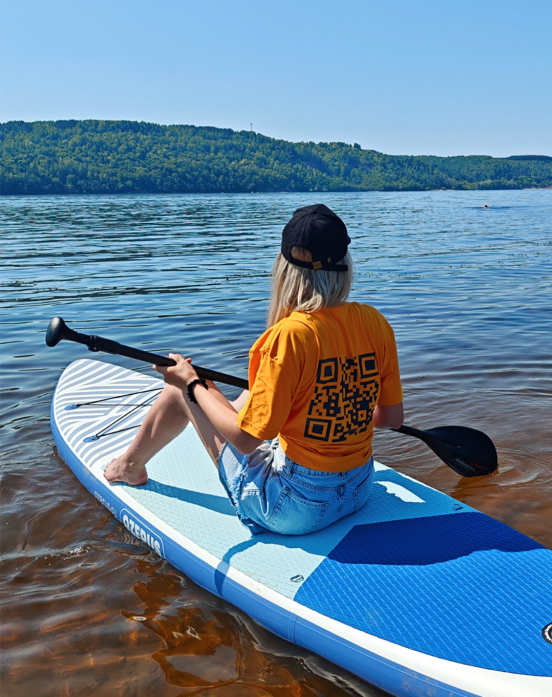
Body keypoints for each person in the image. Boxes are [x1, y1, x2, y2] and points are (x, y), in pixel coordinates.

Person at [105, 204, 404, 535]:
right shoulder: (375, 323)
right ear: (345, 266)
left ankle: (129, 467)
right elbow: (390, 419)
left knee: (178, 387)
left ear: (285, 271)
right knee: (248, 393)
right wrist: (343, 413)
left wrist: (191, 382)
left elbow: (246, 442)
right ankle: (214, 409)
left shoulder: (289, 336)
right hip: (360, 489)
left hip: (293, 508)